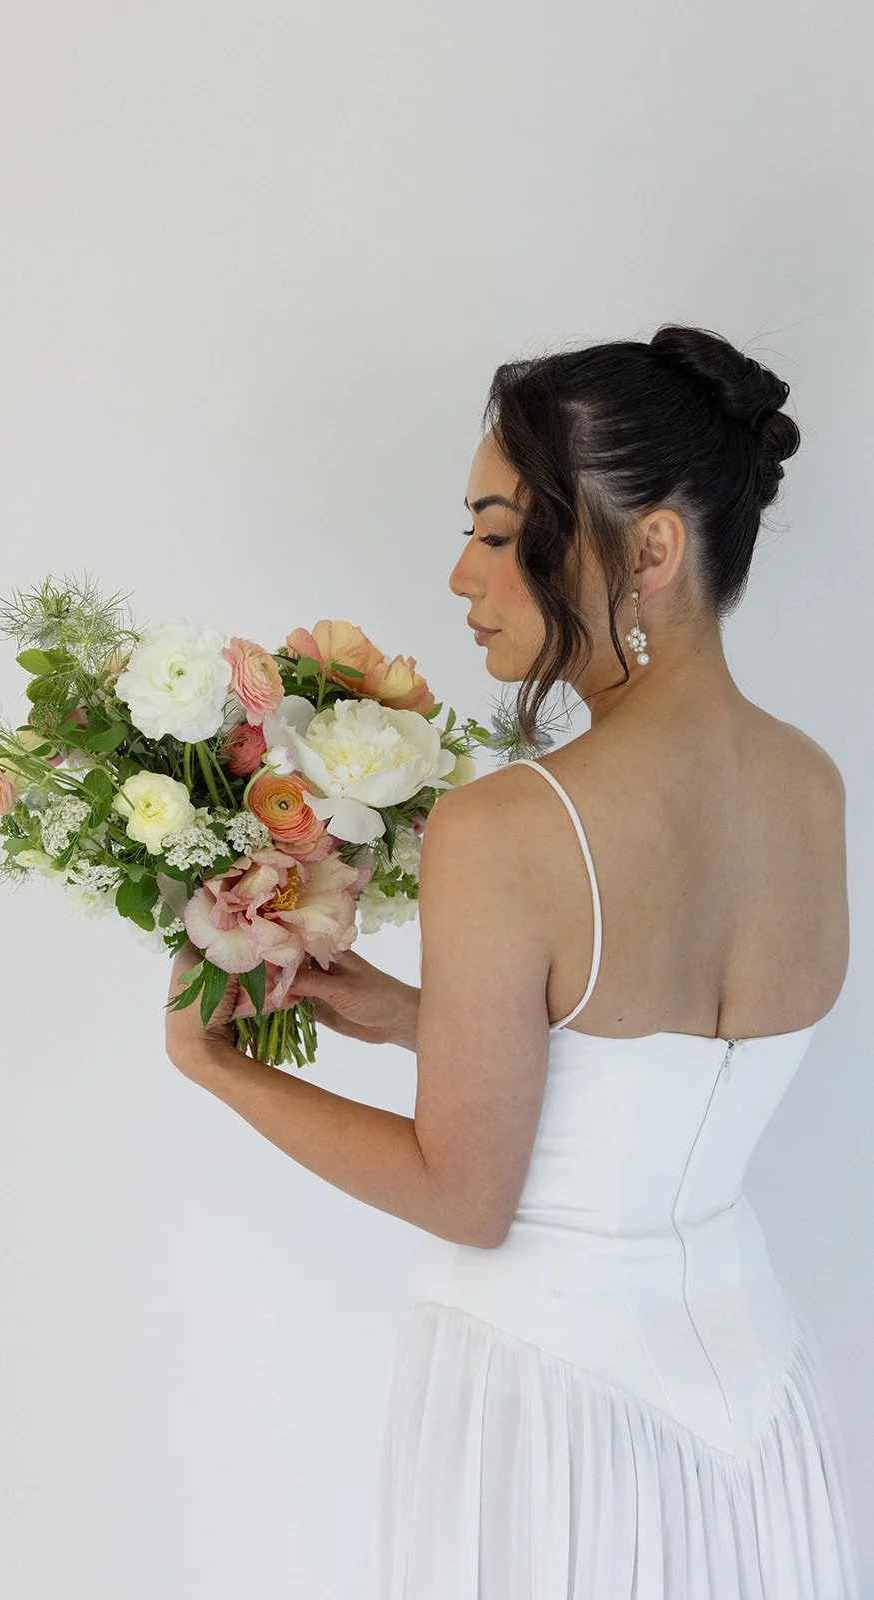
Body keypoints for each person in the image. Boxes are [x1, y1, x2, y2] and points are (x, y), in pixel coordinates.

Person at [292, 324, 861, 1596]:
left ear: (649, 547)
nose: (460, 574)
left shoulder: (506, 827)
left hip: (543, 1408)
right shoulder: (810, 787)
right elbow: (644, 1076)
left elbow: (465, 1197)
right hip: (753, 1400)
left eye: (496, 532)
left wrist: (213, 1066)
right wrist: (409, 1019)